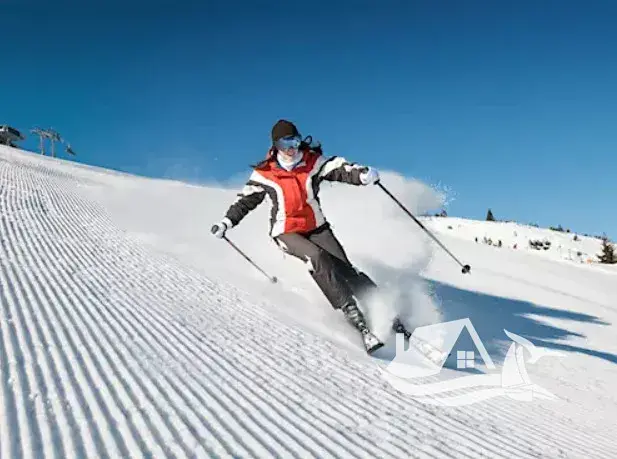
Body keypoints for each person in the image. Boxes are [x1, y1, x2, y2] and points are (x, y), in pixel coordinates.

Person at [212, 119, 383, 352]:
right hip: (286, 231)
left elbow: (339, 169)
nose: (291, 149)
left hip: (317, 227)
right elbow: (245, 201)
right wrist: (226, 222)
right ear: (276, 145)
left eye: (295, 142)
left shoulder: (312, 162)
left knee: (344, 268)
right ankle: (353, 315)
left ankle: (381, 306)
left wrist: (361, 175)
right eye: (285, 144)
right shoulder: (264, 173)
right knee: (317, 258)